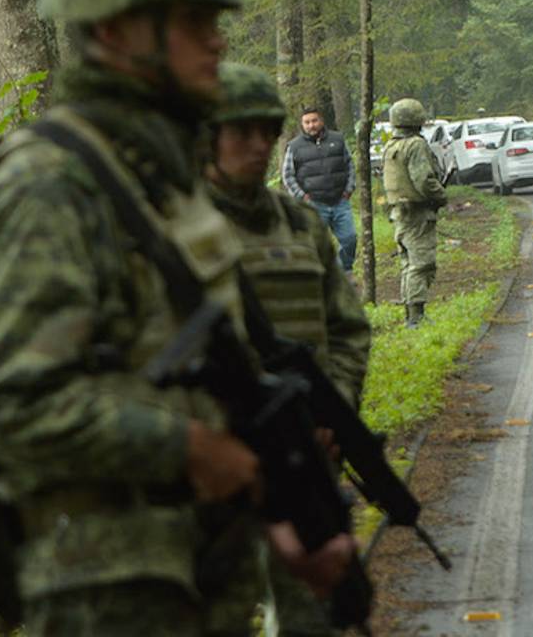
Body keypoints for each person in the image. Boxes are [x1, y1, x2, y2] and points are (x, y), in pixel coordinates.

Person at [0, 0, 352, 637]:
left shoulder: (155, 182)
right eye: (191, 20)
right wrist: (190, 451)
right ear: (112, 28)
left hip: (194, 577)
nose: (217, 40)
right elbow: (6, 404)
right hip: (102, 593)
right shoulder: (51, 183)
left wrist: (276, 513)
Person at [205, 63, 371, 636]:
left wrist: (335, 409)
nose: (256, 145)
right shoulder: (173, 229)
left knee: (310, 613)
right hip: (211, 468)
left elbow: (347, 329)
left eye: (266, 132)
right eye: (239, 131)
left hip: (306, 452)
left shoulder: (301, 228)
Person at [382, 98, 447, 327]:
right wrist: (441, 196)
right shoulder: (415, 145)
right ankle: (415, 318)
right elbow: (424, 180)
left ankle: (411, 315)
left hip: (400, 213)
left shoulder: (392, 146)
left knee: (408, 265)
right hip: (417, 213)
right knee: (421, 264)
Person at [281, 109, 357, 275]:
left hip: (340, 201)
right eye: (307, 122)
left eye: (314, 121)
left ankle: (344, 270)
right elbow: (287, 175)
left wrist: (349, 189)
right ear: (302, 125)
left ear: (321, 121)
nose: (311, 125)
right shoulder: (294, 146)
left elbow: (349, 165)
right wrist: (302, 197)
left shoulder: (338, 139)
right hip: (313, 204)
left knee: (350, 239)